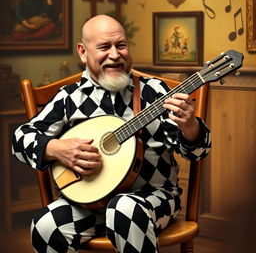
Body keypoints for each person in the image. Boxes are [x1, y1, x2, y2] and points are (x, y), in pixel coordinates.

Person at [12, 15, 211, 253]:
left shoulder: (155, 92)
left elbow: (198, 152)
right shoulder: (69, 98)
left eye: (121, 45)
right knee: (45, 226)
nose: (115, 55)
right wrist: (56, 149)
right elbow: (20, 138)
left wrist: (190, 127)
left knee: (124, 209)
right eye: (104, 47)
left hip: (153, 199)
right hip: (89, 204)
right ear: (83, 52)